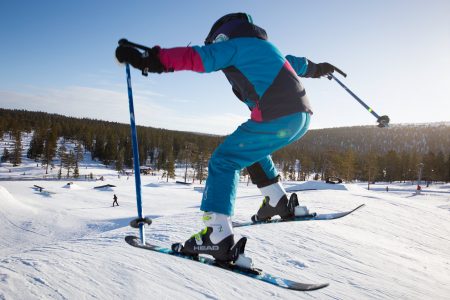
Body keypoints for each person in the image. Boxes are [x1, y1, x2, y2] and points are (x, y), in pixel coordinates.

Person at [116, 13, 340, 261]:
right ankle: (277, 200)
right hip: (301, 117)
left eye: (215, 43)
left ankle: (217, 235)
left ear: (223, 36)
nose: (216, 47)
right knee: (248, 150)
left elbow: (198, 57)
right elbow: (296, 63)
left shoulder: (234, 46)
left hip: (277, 114)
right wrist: (319, 69)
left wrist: (149, 60)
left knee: (224, 160)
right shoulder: (266, 48)